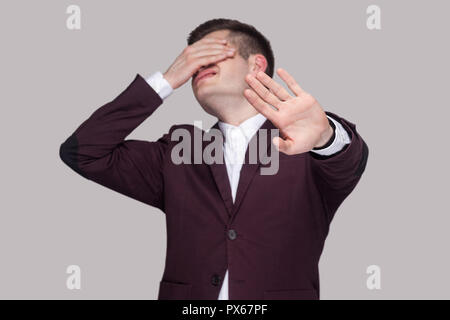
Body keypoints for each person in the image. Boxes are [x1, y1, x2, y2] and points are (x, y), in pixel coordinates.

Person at [59, 18, 369, 300]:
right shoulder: (177, 151)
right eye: (192, 59)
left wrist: (326, 136)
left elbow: (347, 160)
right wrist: (165, 81)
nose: (198, 64)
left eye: (212, 52)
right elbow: (83, 151)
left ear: (256, 66)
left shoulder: (305, 144)